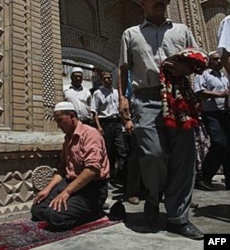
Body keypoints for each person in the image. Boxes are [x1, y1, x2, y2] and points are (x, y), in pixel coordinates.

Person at [117, 0, 204, 240]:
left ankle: (178, 217)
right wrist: (123, 100)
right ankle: (153, 197)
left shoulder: (181, 30)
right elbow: (123, 69)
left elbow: (199, 60)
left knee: (182, 158)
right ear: (141, 3)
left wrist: (183, 68)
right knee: (152, 154)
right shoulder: (131, 34)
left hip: (178, 98)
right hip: (145, 100)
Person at [31, 101, 110, 231]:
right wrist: (47, 189)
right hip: (71, 183)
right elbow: (62, 169)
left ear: (72, 115)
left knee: (54, 217)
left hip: (92, 188)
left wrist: (67, 192)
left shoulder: (90, 134)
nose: (59, 125)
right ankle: (74, 206)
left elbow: (92, 170)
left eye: (60, 121)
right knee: (38, 210)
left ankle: (95, 212)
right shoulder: (68, 138)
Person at [194, 51, 230, 190]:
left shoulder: (224, 76)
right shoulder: (203, 75)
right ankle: (204, 176)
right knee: (219, 143)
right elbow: (199, 92)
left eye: (220, 59)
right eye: (215, 59)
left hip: (225, 113)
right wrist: (219, 94)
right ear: (208, 61)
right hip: (211, 113)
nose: (219, 62)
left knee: (228, 145)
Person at [91, 71, 127, 188]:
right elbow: (94, 112)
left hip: (117, 123)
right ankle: (108, 178)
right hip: (105, 124)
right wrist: (99, 127)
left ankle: (121, 176)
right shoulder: (97, 93)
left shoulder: (117, 93)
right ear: (101, 80)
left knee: (121, 150)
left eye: (109, 78)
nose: (107, 80)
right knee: (108, 151)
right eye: (104, 78)